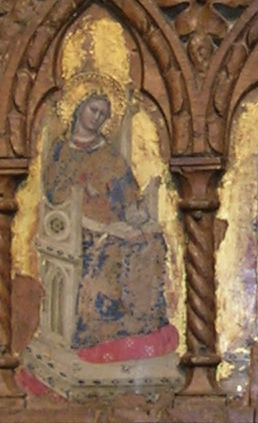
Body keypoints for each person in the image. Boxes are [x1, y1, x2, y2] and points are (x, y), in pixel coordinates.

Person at [40, 91, 173, 359]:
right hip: (77, 229)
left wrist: (138, 216)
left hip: (116, 225)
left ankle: (140, 321)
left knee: (151, 242)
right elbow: (56, 198)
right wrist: (104, 228)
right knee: (113, 249)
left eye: (103, 114)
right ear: (79, 108)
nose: (97, 118)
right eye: (94, 110)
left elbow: (127, 196)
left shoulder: (110, 154)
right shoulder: (61, 151)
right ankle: (101, 327)